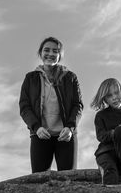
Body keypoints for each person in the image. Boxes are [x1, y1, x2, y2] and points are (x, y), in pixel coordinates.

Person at [19, 36, 83, 173]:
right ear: (40, 53)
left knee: (69, 180)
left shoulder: (70, 77)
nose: (51, 54)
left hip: (65, 136)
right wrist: (36, 127)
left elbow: (78, 105)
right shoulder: (30, 78)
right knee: (39, 179)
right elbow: (25, 107)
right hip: (40, 135)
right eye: (46, 50)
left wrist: (70, 127)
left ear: (60, 56)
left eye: (55, 51)